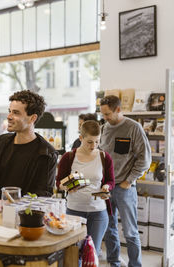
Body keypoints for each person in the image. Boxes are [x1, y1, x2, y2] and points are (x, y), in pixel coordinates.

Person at [99, 95, 151, 267]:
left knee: (130, 232)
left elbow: (145, 160)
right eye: (103, 114)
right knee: (109, 229)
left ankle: (135, 265)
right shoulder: (105, 128)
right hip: (106, 187)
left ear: (118, 110)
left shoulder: (133, 128)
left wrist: (128, 181)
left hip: (124, 188)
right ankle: (114, 262)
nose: (105, 118)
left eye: (107, 114)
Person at [57, 120, 115, 256]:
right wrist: (67, 187)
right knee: (74, 253)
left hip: (98, 212)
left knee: (92, 253)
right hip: (74, 211)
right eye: (89, 142)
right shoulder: (69, 157)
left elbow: (111, 181)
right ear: (81, 138)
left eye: (97, 141)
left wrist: (106, 187)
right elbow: (59, 182)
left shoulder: (104, 157)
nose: (93, 145)